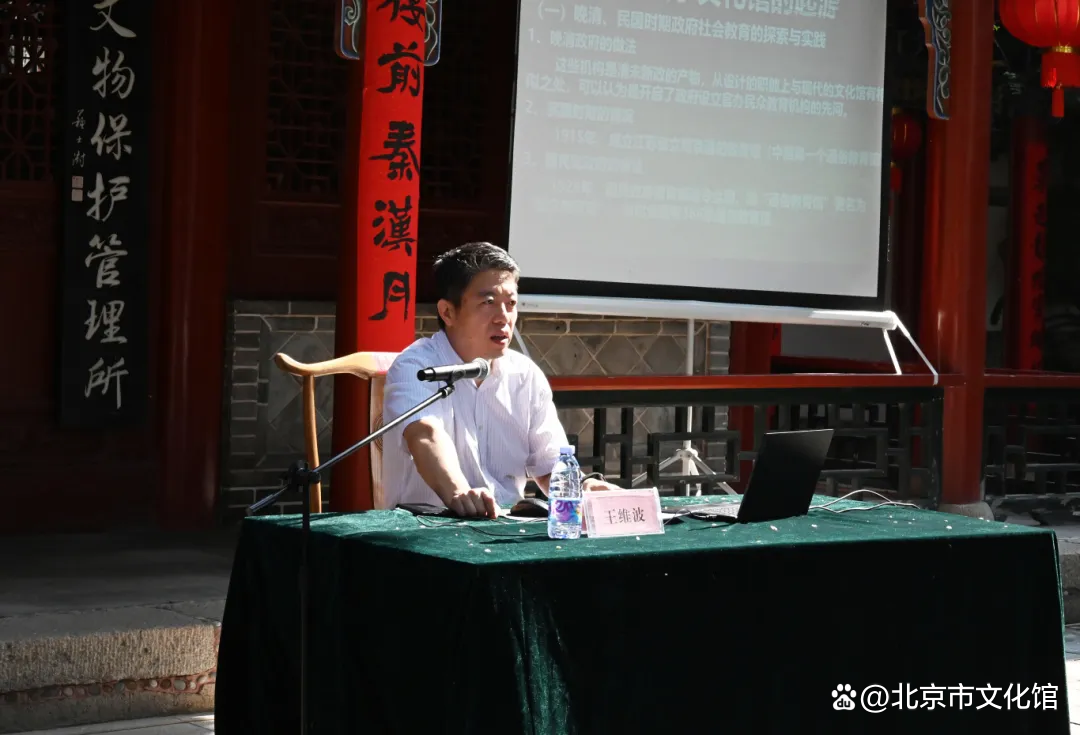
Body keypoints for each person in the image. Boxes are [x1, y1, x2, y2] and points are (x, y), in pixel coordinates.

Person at [381, 241, 619, 517]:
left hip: (505, 524)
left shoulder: (524, 374)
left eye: (511, 304)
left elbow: (549, 465)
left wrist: (584, 486)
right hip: (428, 524)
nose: (503, 318)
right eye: (488, 302)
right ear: (448, 312)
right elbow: (425, 434)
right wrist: (459, 492)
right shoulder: (417, 366)